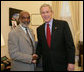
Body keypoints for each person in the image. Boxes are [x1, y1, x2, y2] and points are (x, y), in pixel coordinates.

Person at [36, 4, 75, 71]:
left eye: (47, 12)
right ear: (41, 14)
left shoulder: (63, 25)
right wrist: (36, 56)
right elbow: (40, 46)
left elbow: (70, 45)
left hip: (62, 65)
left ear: (52, 12)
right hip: (47, 65)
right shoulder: (39, 29)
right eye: (43, 13)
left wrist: (71, 62)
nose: (45, 15)